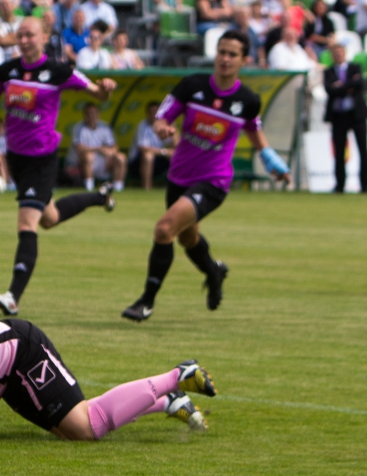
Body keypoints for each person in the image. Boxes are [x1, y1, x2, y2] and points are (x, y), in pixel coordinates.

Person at [121, 29, 290, 322]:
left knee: (164, 230)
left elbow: (256, 134)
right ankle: (214, 271)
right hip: (179, 177)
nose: (225, 59)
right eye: (221, 52)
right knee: (188, 238)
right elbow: (164, 117)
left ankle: (145, 302)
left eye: (232, 54)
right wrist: (163, 128)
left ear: (244, 60)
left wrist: (274, 164)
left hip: (214, 181)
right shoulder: (192, 85)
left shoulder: (247, 100)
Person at [0, 17, 117, 317]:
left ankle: (12, 296)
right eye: (20, 35)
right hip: (16, 158)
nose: (23, 39)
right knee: (49, 217)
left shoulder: (59, 71)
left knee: (26, 223)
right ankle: (101, 196)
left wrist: (107, 89)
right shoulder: (6, 71)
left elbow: (96, 92)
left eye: (29, 35)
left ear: (44, 37)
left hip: (42, 158)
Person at [0, 319, 217, 443]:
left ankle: (177, 376)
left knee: (87, 428)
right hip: (2, 378)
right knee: (67, 433)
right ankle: (165, 403)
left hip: (22, 351)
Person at [324, 43, 367, 193]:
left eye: (340, 52)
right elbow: (330, 90)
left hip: (356, 115)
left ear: (345, 53)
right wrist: (348, 87)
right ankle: (340, 185)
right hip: (338, 116)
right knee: (340, 151)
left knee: (363, 149)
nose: (338, 55)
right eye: (335, 53)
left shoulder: (355, 67)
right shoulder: (328, 71)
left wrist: (340, 86)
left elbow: (360, 84)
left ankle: (364, 185)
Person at [65, 103, 126, 192]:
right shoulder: (79, 127)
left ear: (98, 114)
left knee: (121, 157)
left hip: (104, 162)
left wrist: (110, 152)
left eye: (94, 113)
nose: (91, 116)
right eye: (89, 113)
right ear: (84, 115)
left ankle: (118, 188)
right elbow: (79, 148)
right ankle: (89, 187)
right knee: (89, 156)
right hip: (82, 163)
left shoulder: (105, 127)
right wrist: (98, 149)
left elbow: (114, 146)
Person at [128, 101, 178, 191]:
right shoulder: (142, 125)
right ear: (147, 114)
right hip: (137, 163)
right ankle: (147, 189)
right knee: (148, 156)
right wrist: (164, 152)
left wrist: (174, 130)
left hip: (158, 161)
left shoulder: (165, 125)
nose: (153, 115)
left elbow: (176, 146)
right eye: (151, 112)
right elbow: (144, 149)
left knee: (176, 155)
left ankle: (176, 188)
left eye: (155, 112)